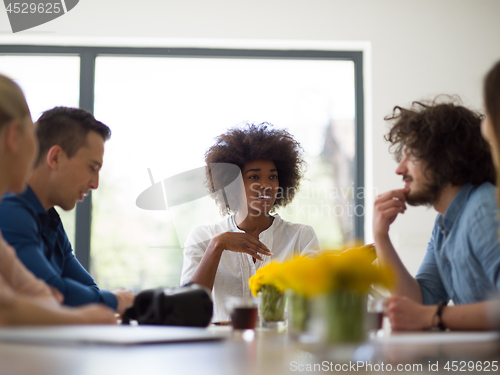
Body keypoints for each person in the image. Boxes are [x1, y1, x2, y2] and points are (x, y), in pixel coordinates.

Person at [374, 98, 500, 330]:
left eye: (411, 155)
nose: (399, 169)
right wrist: (381, 235)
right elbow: (419, 302)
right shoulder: (444, 225)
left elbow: (425, 313)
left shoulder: (484, 209)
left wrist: (435, 316)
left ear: (446, 158)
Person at [0, 73, 116, 325]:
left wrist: (61, 303)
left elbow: (40, 294)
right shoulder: (10, 208)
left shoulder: (49, 220)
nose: (35, 150)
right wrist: (80, 313)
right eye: (30, 135)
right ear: (13, 137)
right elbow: (11, 308)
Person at [181, 123, 320, 322]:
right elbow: (187, 309)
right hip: (220, 349)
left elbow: (315, 305)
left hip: (279, 349)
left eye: (273, 177)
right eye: (254, 177)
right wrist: (217, 246)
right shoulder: (203, 237)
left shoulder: (301, 237)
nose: (266, 185)